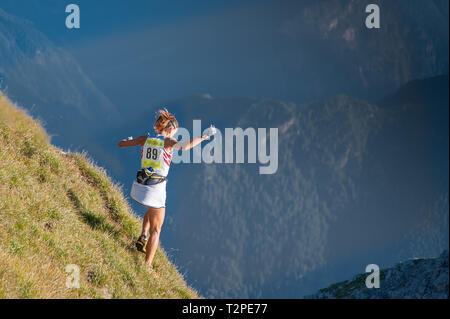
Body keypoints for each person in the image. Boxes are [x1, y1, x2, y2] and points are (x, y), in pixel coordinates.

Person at [117, 109, 216, 268]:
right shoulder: (167, 142)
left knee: (152, 209)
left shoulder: (145, 139)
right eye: (174, 132)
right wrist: (204, 136)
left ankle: (142, 235)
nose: (174, 136)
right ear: (170, 130)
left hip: (138, 186)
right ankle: (147, 266)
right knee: (156, 231)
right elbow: (185, 146)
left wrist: (129, 140)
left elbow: (121, 144)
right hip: (155, 188)